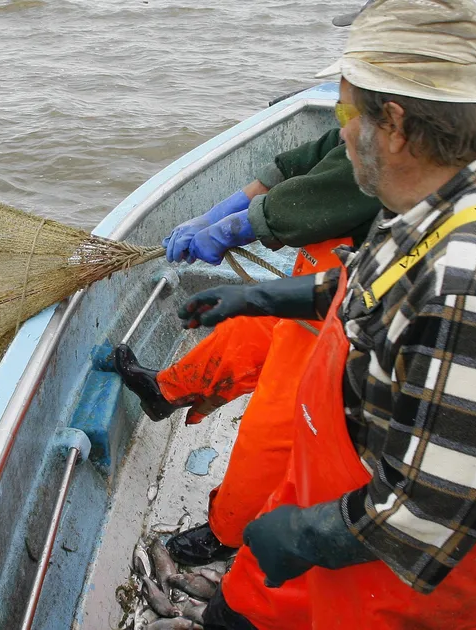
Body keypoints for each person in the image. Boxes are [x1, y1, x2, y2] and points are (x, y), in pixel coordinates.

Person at [179, 1, 476, 628]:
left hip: (399, 579)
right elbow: (389, 288)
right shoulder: (461, 196)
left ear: (392, 124)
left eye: (346, 115)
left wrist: (305, 534)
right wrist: (265, 297)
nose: (340, 135)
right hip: (353, 496)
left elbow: (438, 508)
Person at [113, 117, 383, 563]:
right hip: (321, 285)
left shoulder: (389, 155)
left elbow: (299, 204)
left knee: (272, 425)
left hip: (351, 315)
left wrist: (232, 228)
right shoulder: (355, 132)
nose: (345, 118)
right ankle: (167, 391)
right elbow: (299, 164)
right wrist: (216, 214)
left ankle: (229, 533)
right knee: (248, 327)